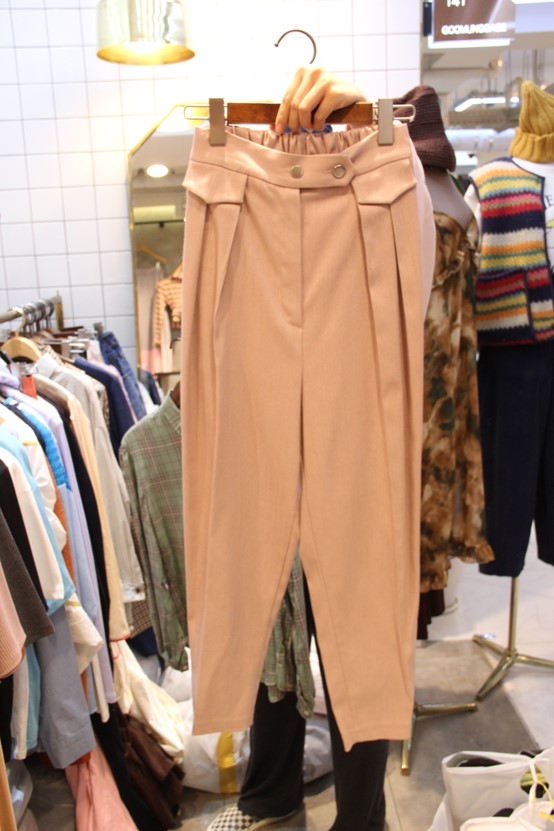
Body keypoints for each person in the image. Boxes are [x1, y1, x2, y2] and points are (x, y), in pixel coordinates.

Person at [204, 66, 431, 831]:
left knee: (359, 588)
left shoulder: (391, 175)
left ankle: (354, 813)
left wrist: (376, 147)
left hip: (367, 217)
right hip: (242, 207)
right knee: (258, 569)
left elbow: (412, 292)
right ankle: (275, 792)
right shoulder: (234, 177)